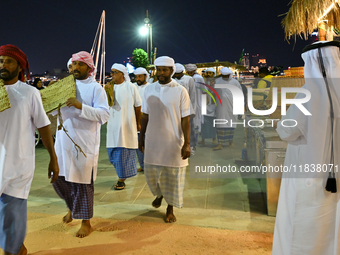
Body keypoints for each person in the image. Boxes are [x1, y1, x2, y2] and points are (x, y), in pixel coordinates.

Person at [272, 41, 340, 255]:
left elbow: (287, 131)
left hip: (307, 175)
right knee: (331, 225)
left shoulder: (308, 93)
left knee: (301, 226)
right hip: (335, 176)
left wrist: (280, 123)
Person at [0, 44, 59, 255]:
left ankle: (14, 250)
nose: (3, 65)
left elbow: (43, 126)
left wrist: (53, 157)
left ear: (20, 66)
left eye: (8, 61)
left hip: (18, 166)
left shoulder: (29, 93)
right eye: (0, 61)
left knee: (12, 216)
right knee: (5, 220)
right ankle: (18, 248)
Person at [52, 51, 109, 238]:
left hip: (84, 143)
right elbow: (53, 112)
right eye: (73, 65)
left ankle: (86, 222)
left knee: (82, 183)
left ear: (89, 67)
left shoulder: (96, 89)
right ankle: (73, 208)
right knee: (61, 179)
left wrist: (80, 106)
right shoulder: (65, 86)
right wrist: (51, 99)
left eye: (80, 64)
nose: (75, 68)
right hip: (63, 142)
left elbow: (104, 115)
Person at [139, 56, 191, 223]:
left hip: (173, 140)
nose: (161, 73)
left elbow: (186, 119)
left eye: (164, 70)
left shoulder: (180, 90)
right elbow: (145, 115)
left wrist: (187, 143)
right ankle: (159, 194)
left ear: (171, 71)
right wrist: (141, 137)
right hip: (153, 139)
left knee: (172, 176)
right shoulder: (149, 89)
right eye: (158, 69)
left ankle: (170, 207)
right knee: (152, 174)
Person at [106, 63, 142, 190]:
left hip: (127, 125)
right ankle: (122, 175)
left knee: (122, 152)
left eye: (114, 72)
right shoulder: (109, 87)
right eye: (111, 72)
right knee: (112, 155)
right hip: (112, 125)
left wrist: (138, 122)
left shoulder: (130, 87)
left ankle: (121, 179)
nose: (112, 75)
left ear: (122, 74)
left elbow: (138, 106)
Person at [213, 67, 242, 150]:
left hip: (232, 106)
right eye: (224, 75)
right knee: (220, 124)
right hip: (220, 107)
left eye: (227, 75)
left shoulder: (235, 82)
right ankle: (220, 143)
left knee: (231, 124)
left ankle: (230, 142)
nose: (225, 77)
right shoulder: (217, 81)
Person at [173, 63, 197, 153]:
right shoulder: (171, 80)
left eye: (179, 73)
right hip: (175, 108)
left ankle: (191, 146)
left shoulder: (189, 79)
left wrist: (192, 110)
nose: (177, 75)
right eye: (176, 73)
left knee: (189, 128)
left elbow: (192, 95)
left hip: (187, 107)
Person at [133, 67, 150, 172]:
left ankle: (150, 165)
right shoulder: (133, 87)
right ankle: (143, 165)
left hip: (148, 119)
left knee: (148, 142)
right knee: (138, 143)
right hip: (135, 119)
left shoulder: (150, 87)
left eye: (140, 76)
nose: (138, 79)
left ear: (145, 76)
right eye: (136, 77)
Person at [185, 63, 205, 148]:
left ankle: (194, 141)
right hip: (193, 102)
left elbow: (204, 91)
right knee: (194, 121)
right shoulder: (191, 78)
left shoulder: (198, 78)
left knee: (195, 121)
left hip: (197, 102)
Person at [199, 67, 217, 146]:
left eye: (210, 73)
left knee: (213, 123)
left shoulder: (217, 83)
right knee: (203, 123)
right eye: (208, 73)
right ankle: (203, 140)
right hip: (205, 105)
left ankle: (214, 139)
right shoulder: (204, 82)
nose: (208, 74)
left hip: (214, 106)